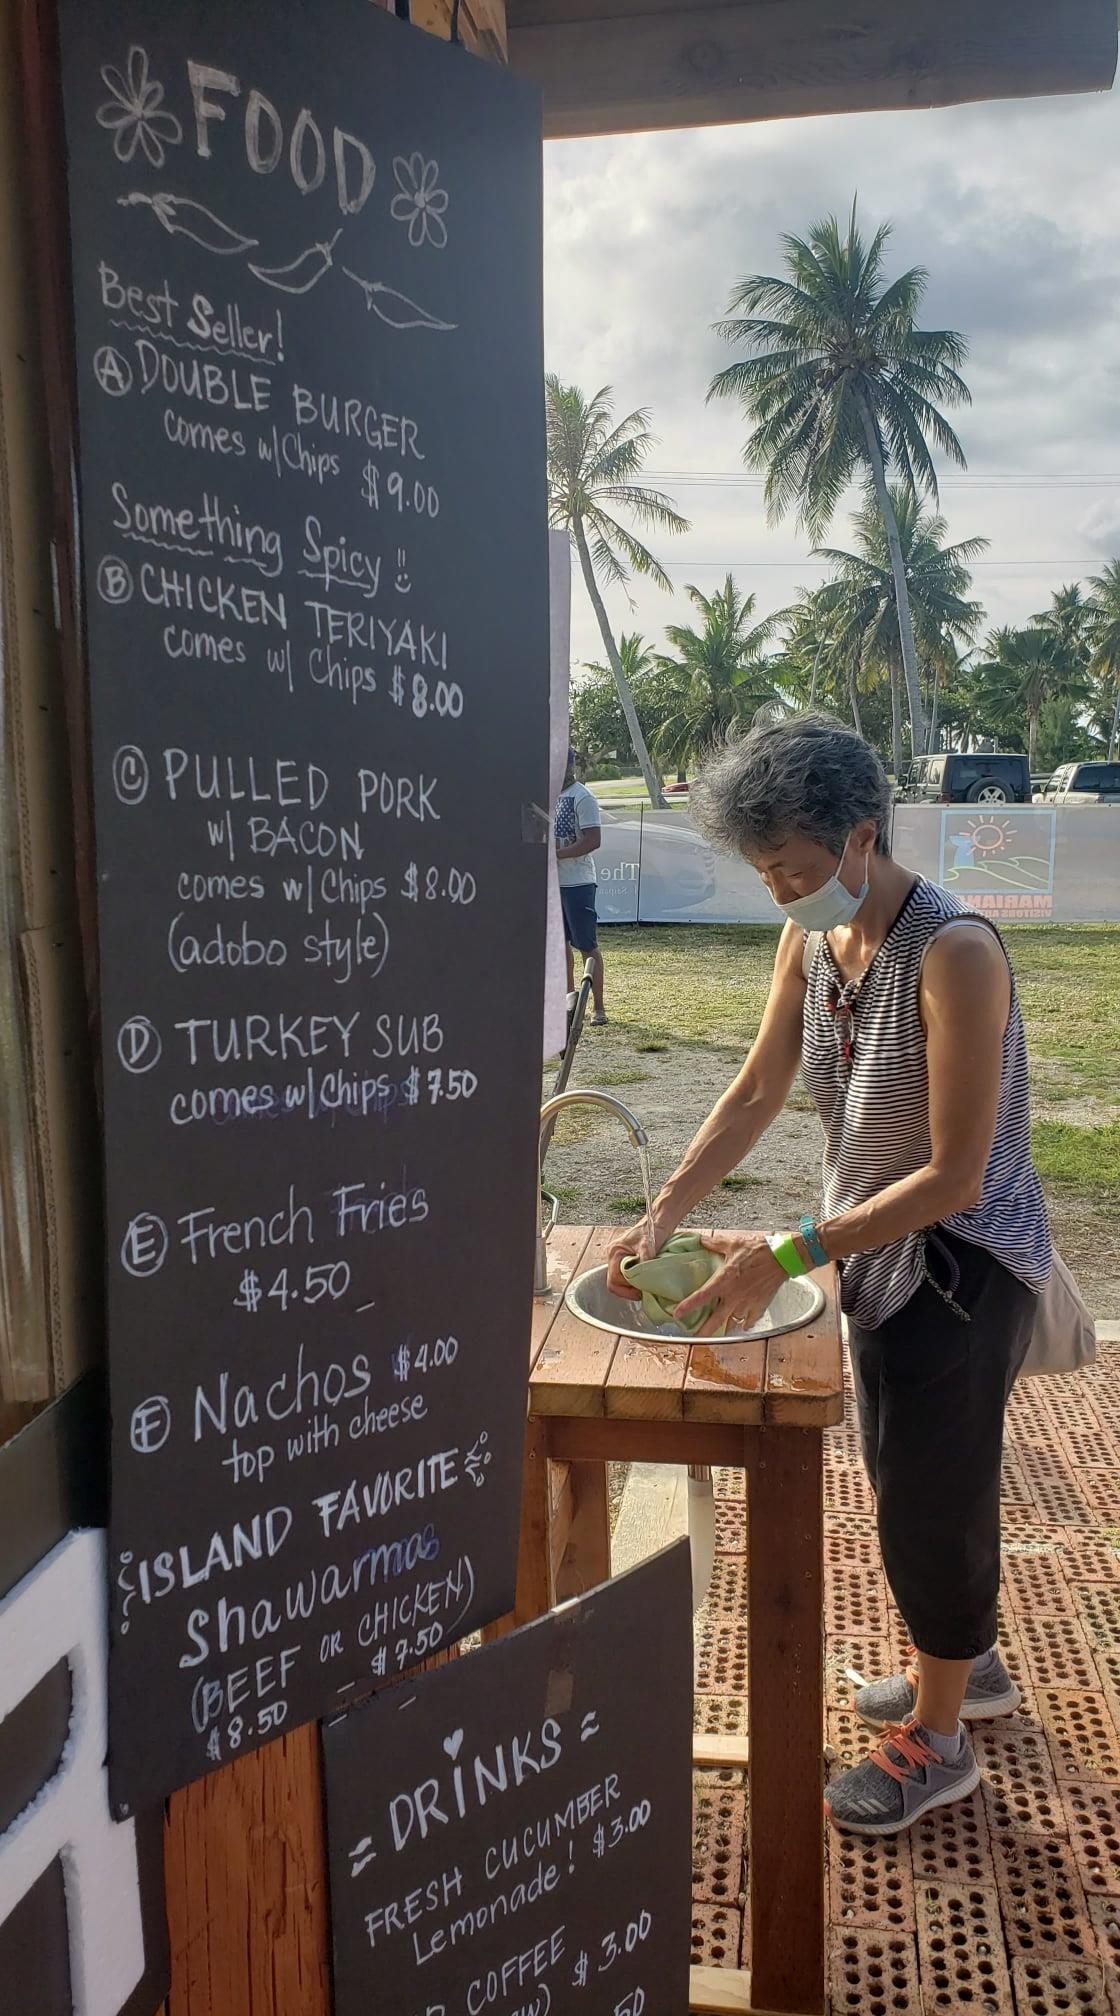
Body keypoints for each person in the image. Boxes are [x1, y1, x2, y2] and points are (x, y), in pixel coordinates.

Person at [607, 715, 1051, 1837]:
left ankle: (940, 1743)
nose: (781, 894)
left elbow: (954, 1175)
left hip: (956, 1263)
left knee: (930, 1495)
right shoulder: (811, 942)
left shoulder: (952, 951)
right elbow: (758, 1088)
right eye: (764, 874)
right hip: (873, 1245)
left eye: (797, 871)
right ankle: (969, 1669)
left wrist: (788, 1253)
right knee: (915, 1476)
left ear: (863, 838)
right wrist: (669, 1204)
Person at [555, 747, 607, 1025]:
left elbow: (592, 840)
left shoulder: (582, 797)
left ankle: (598, 1008)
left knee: (586, 945)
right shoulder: (548, 797)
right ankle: (569, 1004)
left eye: (562, 763)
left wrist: (557, 854)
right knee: (559, 947)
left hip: (578, 882)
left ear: (571, 765)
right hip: (553, 884)